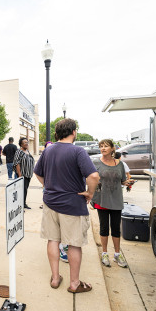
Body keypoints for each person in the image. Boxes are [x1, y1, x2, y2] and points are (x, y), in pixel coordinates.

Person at [34, 118, 99, 293]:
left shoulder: (48, 150)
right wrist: (90, 193)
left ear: (57, 134)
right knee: (74, 244)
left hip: (50, 203)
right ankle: (74, 283)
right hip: (72, 204)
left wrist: (47, 186)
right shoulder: (78, 151)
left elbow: (37, 173)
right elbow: (93, 176)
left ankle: (55, 278)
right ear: (74, 132)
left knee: (53, 240)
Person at [93, 139, 129, 268]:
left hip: (116, 199)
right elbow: (89, 178)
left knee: (115, 228)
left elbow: (123, 181)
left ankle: (117, 254)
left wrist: (128, 183)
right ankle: (104, 253)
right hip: (101, 199)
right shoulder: (95, 162)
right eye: (101, 146)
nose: (103, 148)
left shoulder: (120, 164)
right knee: (104, 227)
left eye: (106, 146)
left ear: (112, 149)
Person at [13, 137, 35, 209]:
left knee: (25, 190)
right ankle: (20, 205)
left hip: (28, 174)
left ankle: (23, 203)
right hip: (22, 174)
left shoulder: (27, 151)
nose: (26, 143)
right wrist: (19, 175)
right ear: (20, 144)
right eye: (25, 142)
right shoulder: (19, 151)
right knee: (21, 190)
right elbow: (16, 163)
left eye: (27, 142)